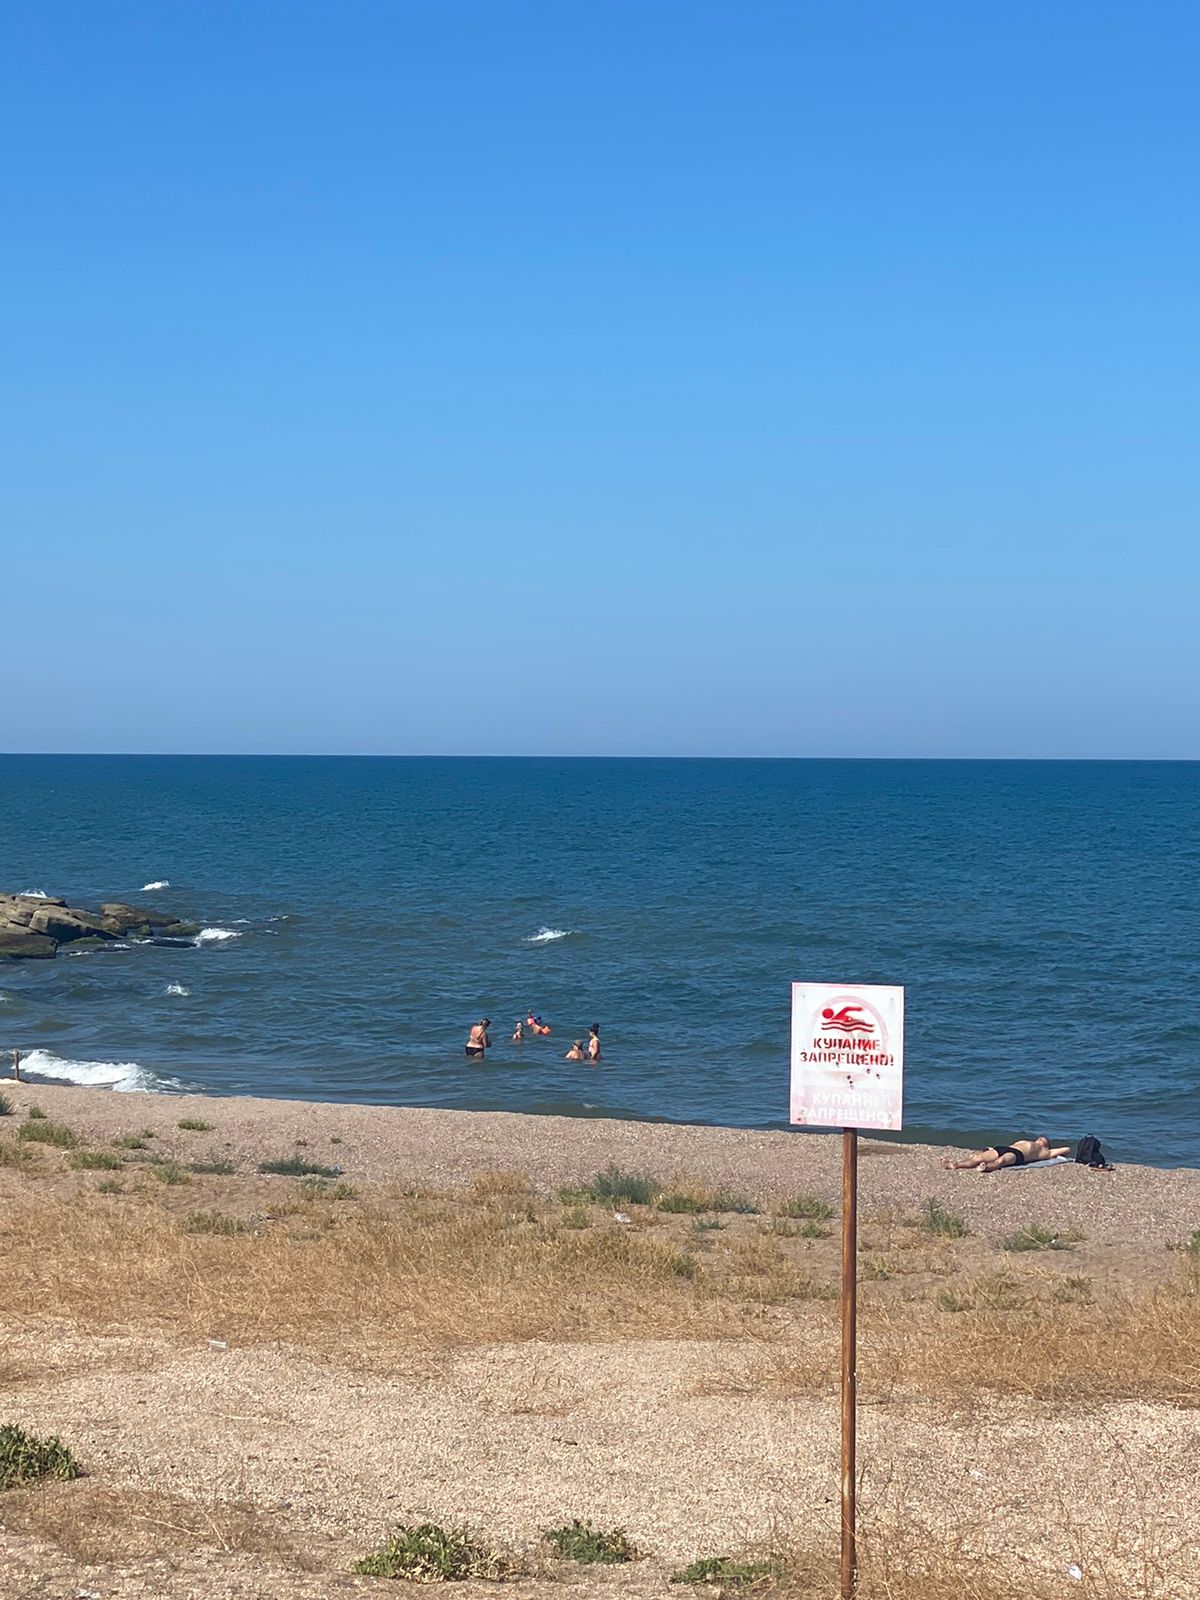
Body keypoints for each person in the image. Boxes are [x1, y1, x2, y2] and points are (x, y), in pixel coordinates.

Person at [941, 1135, 1070, 1172]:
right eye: (1040, 1138)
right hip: (1006, 1148)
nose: (1041, 1139)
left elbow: (1067, 1149)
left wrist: (1050, 1149)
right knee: (978, 1157)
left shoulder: (1045, 1152)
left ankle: (986, 1167)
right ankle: (955, 1165)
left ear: (1046, 1145)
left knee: (1001, 1161)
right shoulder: (1026, 1141)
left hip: (1019, 1155)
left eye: (1044, 1140)